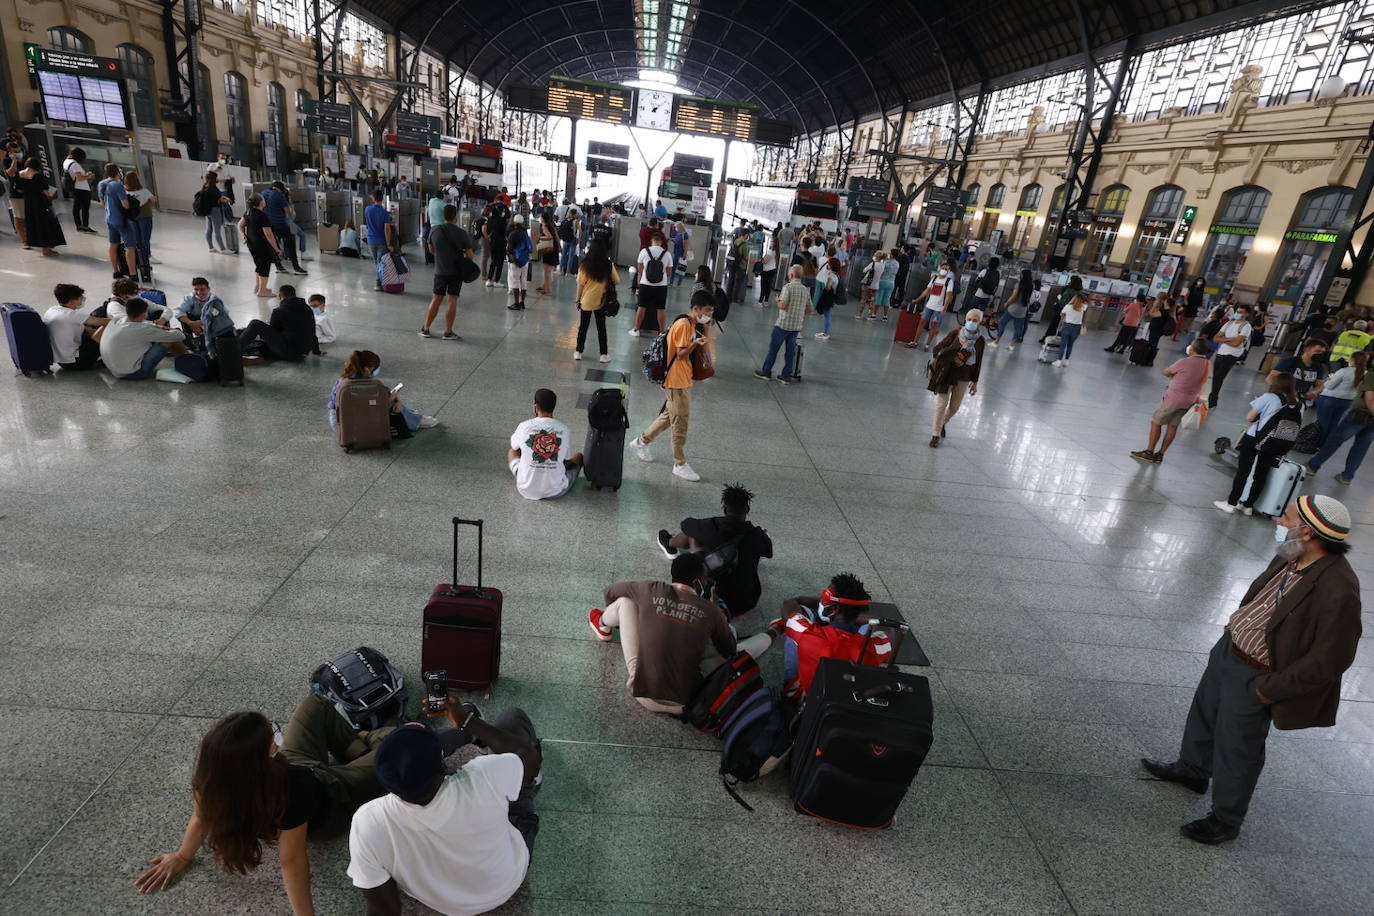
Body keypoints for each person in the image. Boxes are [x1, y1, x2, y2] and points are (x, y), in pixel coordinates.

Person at [1141, 495, 1360, 845]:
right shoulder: (1291, 554)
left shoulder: (1338, 587)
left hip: (1257, 675)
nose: (1279, 522)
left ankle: (1225, 819)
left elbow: (1332, 659)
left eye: (1287, 518)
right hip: (1229, 652)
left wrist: (1268, 689)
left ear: (1308, 533)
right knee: (1204, 714)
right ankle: (1192, 770)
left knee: (1237, 748)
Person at [136, 697, 394, 914]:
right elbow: (291, 860)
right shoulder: (292, 790)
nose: (277, 736)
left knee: (315, 704)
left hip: (295, 767)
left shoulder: (210, 779)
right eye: (272, 735)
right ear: (257, 760)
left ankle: (358, 748)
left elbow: (201, 818)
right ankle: (367, 743)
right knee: (401, 739)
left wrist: (182, 856)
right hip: (333, 796)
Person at [347, 705, 541, 916]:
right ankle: (521, 777)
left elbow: (384, 910)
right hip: (508, 881)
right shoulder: (483, 775)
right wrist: (469, 722)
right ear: (441, 763)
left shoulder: (367, 822)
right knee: (511, 717)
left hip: (443, 903)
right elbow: (528, 757)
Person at [588, 553, 780, 714]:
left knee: (625, 603)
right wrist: (716, 614)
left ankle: (602, 623)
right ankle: (773, 632)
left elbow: (610, 592)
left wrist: (641, 620)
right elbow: (729, 650)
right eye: (705, 579)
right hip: (687, 703)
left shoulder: (650, 588)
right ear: (698, 582)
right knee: (726, 645)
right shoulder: (709, 609)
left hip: (643, 693)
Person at [629, 292, 715, 482]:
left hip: (683, 378)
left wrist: (702, 332)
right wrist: (695, 343)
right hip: (676, 380)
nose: (709, 314)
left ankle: (641, 442)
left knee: (670, 416)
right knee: (680, 423)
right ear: (696, 309)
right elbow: (682, 354)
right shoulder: (684, 325)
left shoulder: (692, 323)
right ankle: (680, 463)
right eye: (707, 310)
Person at [656, 483, 774, 617]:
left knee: (693, 535)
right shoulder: (757, 534)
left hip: (711, 597)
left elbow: (685, 524)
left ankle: (669, 543)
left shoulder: (712, 525)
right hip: (746, 602)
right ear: (747, 508)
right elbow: (768, 552)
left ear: (725, 508)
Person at [779, 573, 892, 704]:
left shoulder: (809, 633)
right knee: (868, 627)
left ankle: (786, 683)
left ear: (835, 609)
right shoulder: (877, 645)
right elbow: (882, 625)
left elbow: (789, 604)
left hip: (809, 699)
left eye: (824, 599)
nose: (821, 601)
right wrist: (851, 615)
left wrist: (806, 600)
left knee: (794, 635)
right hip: (849, 700)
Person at [1214, 372, 1299, 515]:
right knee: (1261, 475)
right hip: (1274, 442)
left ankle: (1231, 503)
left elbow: (1250, 417)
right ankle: (1248, 506)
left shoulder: (1268, 397)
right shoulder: (1295, 403)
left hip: (1254, 438)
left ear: (1276, 383)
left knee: (1243, 472)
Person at [1131, 339, 1212, 463]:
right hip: (1189, 400)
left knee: (1156, 422)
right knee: (1173, 427)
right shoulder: (1207, 364)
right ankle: (1160, 454)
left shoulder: (1185, 362)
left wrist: (1173, 377)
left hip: (1173, 399)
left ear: (1192, 349)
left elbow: (1166, 372)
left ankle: (1149, 452)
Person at [327, 350, 438, 433]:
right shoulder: (363, 385)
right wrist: (393, 400)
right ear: (367, 369)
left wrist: (396, 400)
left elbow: (384, 392)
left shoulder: (344, 379)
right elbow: (370, 406)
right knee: (389, 403)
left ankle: (409, 414)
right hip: (349, 425)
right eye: (375, 367)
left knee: (388, 398)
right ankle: (416, 421)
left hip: (337, 423)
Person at [1304, 354, 1374, 484]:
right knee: (1361, 447)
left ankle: (1312, 466)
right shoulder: (1365, 373)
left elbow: (1370, 398)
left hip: (1361, 414)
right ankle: (1347, 477)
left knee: (1335, 440)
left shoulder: (1371, 375)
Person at [927, 308, 989, 447]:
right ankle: (935, 434)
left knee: (955, 407)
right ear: (965, 320)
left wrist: (975, 382)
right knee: (941, 404)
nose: (972, 322)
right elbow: (937, 350)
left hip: (965, 376)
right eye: (969, 319)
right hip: (947, 374)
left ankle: (943, 423)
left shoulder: (980, 341)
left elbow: (978, 361)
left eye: (975, 320)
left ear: (980, 322)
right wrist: (957, 345)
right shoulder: (955, 333)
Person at [508, 388, 583, 500]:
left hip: (525, 488)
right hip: (556, 490)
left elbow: (514, 446)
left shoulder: (524, 426)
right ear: (553, 407)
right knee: (578, 457)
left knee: (513, 451)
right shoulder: (564, 429)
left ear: (536, 407)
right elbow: (566, 459)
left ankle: (523, 473)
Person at [97, 296, 188, 380]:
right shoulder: (142, 329)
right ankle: (189, 364)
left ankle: (187, 360)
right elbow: (180, 336)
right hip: (133, 373)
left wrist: (163, 329)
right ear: (145, 314)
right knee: (170, 339)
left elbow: (146, 325)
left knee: (165, 335)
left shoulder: (116, 320)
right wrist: (170, 330)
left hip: (114, 371)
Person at [237, 284, 326, 364]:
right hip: (303, 352)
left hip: (290, 353)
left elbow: (273, 332)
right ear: (294, 294)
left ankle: (233, 351)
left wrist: (265, 327)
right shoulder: (307, 309)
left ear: (280, 296)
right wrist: (316, 351)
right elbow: (312, 331)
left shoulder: (278, 311)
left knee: (255, 323)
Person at [422, 204, 473, 341]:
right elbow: (470, 255)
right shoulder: (461, 233)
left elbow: (431, 250)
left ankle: (426, 328)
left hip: (440, 270)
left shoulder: (434, 230)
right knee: (452, 300)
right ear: (455, 217)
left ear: (443, 216)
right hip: (456, 272)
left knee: (436, 299)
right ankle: (448, 332)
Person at [753, 264, 810, 383]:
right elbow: (810, 308)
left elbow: (783, 305)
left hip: (783, 324)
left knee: (773, 349)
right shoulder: (805, 290)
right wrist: (801, 315)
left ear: (792, 275)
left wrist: (778, 300)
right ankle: (786, 376)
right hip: (796, 326)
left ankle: (766, 372)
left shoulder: (788, 287)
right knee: (790, 352)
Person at [43, 283, 107, 370]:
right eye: (80, 299)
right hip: (76, 362)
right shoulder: (71, 314)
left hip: (62, 360)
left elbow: (85, 328)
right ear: (72, 301)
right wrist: (128, 318)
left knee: (89, 327)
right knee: (105, 327)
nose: (82, 301)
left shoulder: (52, 310)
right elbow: (102, 322)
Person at [574, 239, 617, 362]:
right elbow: (617, 280)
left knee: (583, 327)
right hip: (601, 302)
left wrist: (577, 300)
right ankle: (604, 355)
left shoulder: (584, 265)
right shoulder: (608, 265)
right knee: (601, 328)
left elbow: (580, 285)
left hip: (586, 301)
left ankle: (578, 351)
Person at [1312, 352, 1366, 449]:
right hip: (1347, 401)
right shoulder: (1364, 373)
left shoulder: (1344, 371)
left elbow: (1330, 386)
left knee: (1322, 423)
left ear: (1353, 360)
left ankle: (1315, 444)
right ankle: (1324, 445)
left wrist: (1328, 379)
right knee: (1333, 424)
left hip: (1330, 399)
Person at [173, 277, 236, 355]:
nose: (199, 293)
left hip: (210, 323)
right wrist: (191, 323)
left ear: (208, 289)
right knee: (184, 318)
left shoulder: (215, 300)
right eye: (196, 289)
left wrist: (201, 324)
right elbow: (178, 311)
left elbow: (220, 316)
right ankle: (190, 342)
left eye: (202, 289)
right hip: (194, 321)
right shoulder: (189, 297)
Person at [1206, 305, 1254, 408]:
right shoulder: (1229, 323)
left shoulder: (1246, 326)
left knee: (1219, 377)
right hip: (1221, 352)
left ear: (1246, 314)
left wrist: (1224, 339)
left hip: (1232, 354)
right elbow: (1216, 338)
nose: (1238, 313)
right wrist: (1229, 339)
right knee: (1215, 377)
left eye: (1241, 312)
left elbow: (1236, 343)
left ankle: (1213, 399)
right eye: (1237, 311)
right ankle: (1213, 398)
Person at [905, 258, 957, 351]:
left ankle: (927, 345)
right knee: (922, 322)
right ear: (939, 268)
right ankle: (915, 341)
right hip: (929, 305)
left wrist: (944, 309)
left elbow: (949, 296)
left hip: (939, 308)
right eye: (943, 268)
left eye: (946, 269)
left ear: (948, 271)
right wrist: (917, 300)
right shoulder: (934, 278)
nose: (944, 270)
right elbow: (927, 291)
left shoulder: (949, 281)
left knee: (933, 326)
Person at [16, 158, 64, 257]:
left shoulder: (19, 174)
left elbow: (19, 190)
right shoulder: (37, 175)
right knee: (44, 224)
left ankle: (38, 244)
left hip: (28, 202)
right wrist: (50, 197)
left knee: (33, 223)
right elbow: (46, 191)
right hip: (40, 203)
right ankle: (46, 249)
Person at [97, 163, 138, 278]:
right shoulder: (118, 185)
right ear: (118, 173)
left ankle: (115, 271)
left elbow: (102, 203)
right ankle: (132, 273)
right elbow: (125, 205)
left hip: (109, 219)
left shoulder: (101, 184)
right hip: (122, 220)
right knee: (130, 246)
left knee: (113, 244)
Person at [631, 230, 673, 336]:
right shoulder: (667, 254)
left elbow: (640, 268)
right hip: (661, 286)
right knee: (661, 309)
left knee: (641, 307)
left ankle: (636, 329)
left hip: (645, 284)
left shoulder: (644, 251)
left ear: (651, 241)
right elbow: (669, 272)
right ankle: (662, 332)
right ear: (661, 242)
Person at [242, 193, 281, 298]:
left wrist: (244, 235)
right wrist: (276, 248)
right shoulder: (261, 215)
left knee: (259, 265)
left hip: (252, 243)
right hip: (261, 245)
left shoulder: (248, 212)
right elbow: (268, 234)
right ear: (260, 202)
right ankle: (262, 291)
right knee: (264, 266)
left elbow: (240, 224)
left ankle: (258, 287)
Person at [262, 181, 305, 276]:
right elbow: (288, 211)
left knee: (274, 246)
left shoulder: (263, 193)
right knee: (290, 245)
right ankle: (296, 267)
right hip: (281, 225)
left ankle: (279, 267)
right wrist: (288, 200)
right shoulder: (278, 195)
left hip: (268, 225)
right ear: (280, 189)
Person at [1274, 339, 1328, 408]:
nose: (1320, 354)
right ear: (1306, 350)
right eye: (1317, 351)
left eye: (1322, 352)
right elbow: (1271, 378)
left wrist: (1314, 392)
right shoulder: (1291, 361)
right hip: (1281, 399)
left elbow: (1319, 385)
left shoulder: (1318, 367)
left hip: (1299, 402)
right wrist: (1288, 392)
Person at [123, 171, 157, 282]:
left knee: (137, 239)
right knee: (145, 239)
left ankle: (139, 260)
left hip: (132, 217)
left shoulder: (124, 191)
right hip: (145, 215)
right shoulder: (144, 191)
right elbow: (153, 200)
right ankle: (146, 258)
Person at [991, 268, 1035, 352]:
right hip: (1023, 310)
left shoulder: (1019, 284)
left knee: (1002, 322)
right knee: (1018, 328)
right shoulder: (1032, 285)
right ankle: (1012, 345)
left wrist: (1007, 303)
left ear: (1023, 275)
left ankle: (996, 341)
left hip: (1013, 308)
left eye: (1021, 274)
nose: (1020, 275)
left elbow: (1014, 297)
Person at [1038, 275, 1083, 343]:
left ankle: (1046, 338)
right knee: (1064, 326)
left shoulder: (1068, 290)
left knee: (1054, 324)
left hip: (1062, 309)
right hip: (1072, 312)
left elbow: (1062, 301)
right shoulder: (1079, 292)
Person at [61, 147, 96, 234]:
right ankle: (85, 226)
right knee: (85, 208)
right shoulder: (75, 164)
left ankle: (78, 225)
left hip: (75, 188)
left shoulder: (66, 161)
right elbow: (80, 178)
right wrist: (89, 176)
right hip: (82, 189)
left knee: (76, 207)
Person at [1052, 290, 1088, 368]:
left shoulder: (1068, 306)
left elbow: (1061, 314)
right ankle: (1067, 360)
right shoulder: (1082, 307)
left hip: (1067, 326)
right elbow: (1086, 304)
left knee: (1063, 344)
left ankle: (1059, 361)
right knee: (1070, 345)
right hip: (1077, 328)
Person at [504, 214, 532, 311]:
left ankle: (516, 303)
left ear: (514, 222)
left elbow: (509, 248)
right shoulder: (525, 233)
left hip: (516, 261)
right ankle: (522, 303)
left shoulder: (513, 234)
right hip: (525, 260)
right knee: (523, 281)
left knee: (515, 281)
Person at [364, 189, 394, 275]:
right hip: (382, 241)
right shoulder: (385, 213)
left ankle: (380, 282)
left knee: (377, 263)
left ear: (373, 198)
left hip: (371, 241)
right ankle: (379, 283)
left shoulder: (367, 209)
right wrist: (389, 244)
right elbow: (387, 229)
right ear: (382, 198)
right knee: (380, 263)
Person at [198, 173, 231, 252]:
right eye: (216, 178)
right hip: (215, 211)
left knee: (209, 230)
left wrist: (223, 198)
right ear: (213, 179)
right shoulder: (213, 188)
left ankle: (211, 247)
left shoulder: (205, 187)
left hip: (208, 211)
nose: (217, 179)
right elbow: (218, 199)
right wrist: (226, 200)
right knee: (217, 230)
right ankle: (223, 249)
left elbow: (215, 198)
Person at [813, 256, 840, 341]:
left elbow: (828, 287)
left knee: (827, 315)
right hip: (831, 297)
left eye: (829, 264)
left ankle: (826, 333)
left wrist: (827, 279)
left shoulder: (831, 276)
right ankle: (825, 331)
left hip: (828, 297)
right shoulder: (836, 274)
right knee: (826, 315)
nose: (827, 265)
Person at [485, 200, 510, 287]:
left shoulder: (490, 219)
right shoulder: (502, 220)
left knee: (493, 261)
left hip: (493, 242)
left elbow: (488, 231)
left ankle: (489, 279)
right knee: (500, 262)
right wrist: (505, 206)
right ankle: (496, 280)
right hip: (501, 242)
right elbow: (508, 215)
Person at [534, 210, 558, 294]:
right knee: (548, 270)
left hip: (548, 251)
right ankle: (544, 285)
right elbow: (555, 237)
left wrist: (540, 238)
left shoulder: (545, 226)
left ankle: (547, 289)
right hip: (553, 249)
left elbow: (549, 237)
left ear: (543, 218)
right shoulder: (551, 225)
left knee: (547, 270)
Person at [558, 207, 581, 277]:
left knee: (563, 255)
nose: (577, 215)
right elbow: (580, 231)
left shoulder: (565, 220)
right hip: (572, 240)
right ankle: (568, 272)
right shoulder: (576, 221)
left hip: (565, 240)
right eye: (576, 213)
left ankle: (561, 271)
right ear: (574, 214)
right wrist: (579, 240)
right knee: (571, 256)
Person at [670, 219, 690, 286]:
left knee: (681, 269)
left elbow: (686, 245)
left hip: (681, 254)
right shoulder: (678, 234)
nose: (675, 228)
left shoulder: (685, 235)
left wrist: (685, 254)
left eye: (676, 227)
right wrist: (672, 240)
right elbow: (677, 241)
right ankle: (671, 282)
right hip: (676, 253)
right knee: (673, 268)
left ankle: (678, 284)